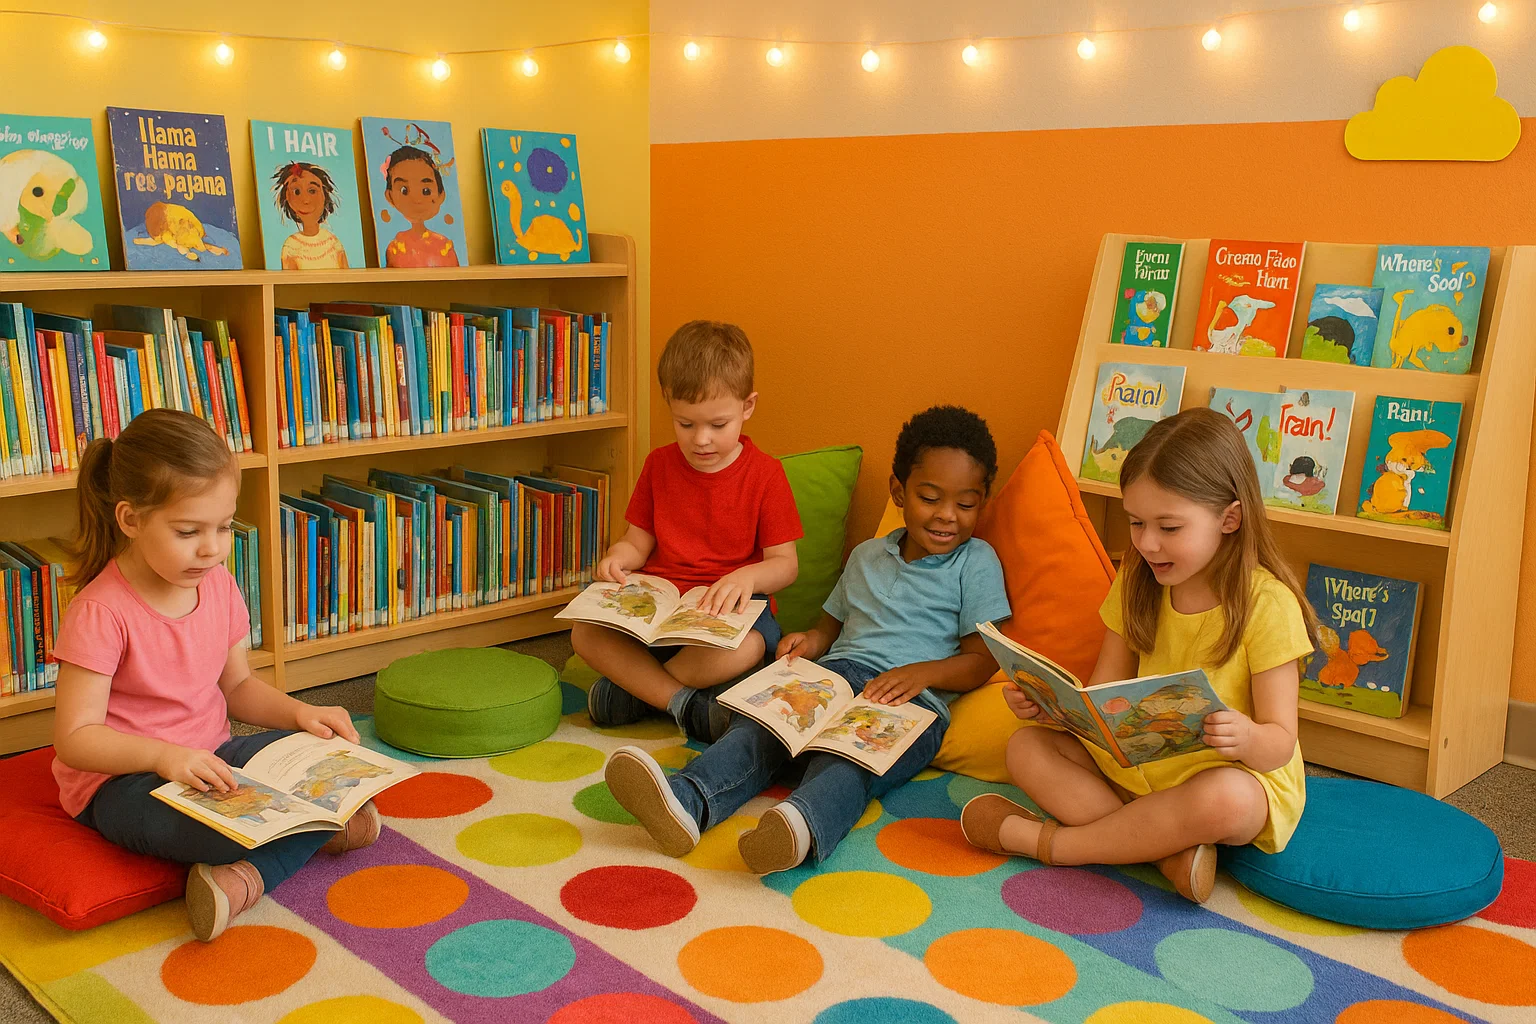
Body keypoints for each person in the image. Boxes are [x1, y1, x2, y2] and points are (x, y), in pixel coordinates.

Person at [606, 405, 1011, 873]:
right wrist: (806, 644)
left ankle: (798, 827)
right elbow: (829, 629)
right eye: (930, 498)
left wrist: (921, 675)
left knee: (849, 764)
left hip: (908, 705)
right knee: (758, 729)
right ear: (899, 492)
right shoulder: (866, 556)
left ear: (984, 500)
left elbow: (982, 660)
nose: (947, 517)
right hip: (831, 678)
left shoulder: (976, 562)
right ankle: (686, 800)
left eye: (966, 504)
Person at [962, 408, 1318, 903]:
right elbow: (1105, 695)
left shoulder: (1267, 605)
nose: (1148, 543)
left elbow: (1280, 744)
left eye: (1169, 527)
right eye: (1136, 522)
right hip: (1136, 772)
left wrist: (1247, 736)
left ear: (1229, 518)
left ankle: (1056, 845)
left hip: (1223, 777)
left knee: (1230, 799)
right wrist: (1055, 709)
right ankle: (1162, 850)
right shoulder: (1137, 579)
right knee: (1025, 747)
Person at [51, 410, 377, 942]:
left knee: (331, 769)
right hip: (121, 783)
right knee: (231, 833)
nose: (211, 547)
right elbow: (75, 740)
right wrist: (163, 756)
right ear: (130, 520)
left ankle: (280, 849)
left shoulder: (218, 584)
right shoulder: (99, 612)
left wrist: (301, 712)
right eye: (188, 531)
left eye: (224, 527)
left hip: (211, 760)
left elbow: (238, 688)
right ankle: (257, 871)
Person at [572, 321, 801, 741]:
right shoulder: (659, 465)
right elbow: (637, 542)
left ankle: (638, 692)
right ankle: (683, 704)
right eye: (685, 424)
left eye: (718, 424)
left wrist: (745, 576)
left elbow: (785, 565)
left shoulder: (767, 475)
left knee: (749, 649)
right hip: (658, 617)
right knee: (583, 632)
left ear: (748, 407)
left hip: (727, 621)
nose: (701, 440)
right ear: (669, 405)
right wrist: (616, 559)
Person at [378, 124, 459, 268]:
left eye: (426, 191)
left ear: (441, 195)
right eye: (404, 190)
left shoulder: (444, 246)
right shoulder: (395, 247)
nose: (416, 199)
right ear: (390, 197)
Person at [271, 161, 349, 269]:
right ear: (287, 198)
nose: (306, 200)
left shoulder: (333, 242)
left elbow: (348, 279)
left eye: (312, 191)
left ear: (324, 196)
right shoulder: (291, 247)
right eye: (297, 192)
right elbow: (290, 283)